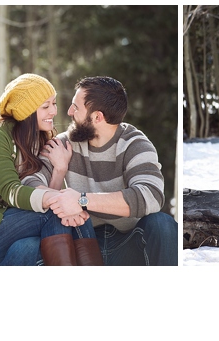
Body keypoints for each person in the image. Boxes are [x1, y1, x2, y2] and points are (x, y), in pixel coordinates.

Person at [0, 73, 99, 266]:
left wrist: (60, 170)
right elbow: (12, 192)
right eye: (45, 106)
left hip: (8, 229)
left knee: (30, 245)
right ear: (25, 111)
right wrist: (66, 201)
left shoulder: (36, 139)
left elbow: (41, 193)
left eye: (54, 103)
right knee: (63, 210)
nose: (53, 111)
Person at [35, 76, 178, 265]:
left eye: (76, 107)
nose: (69, 112)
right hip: (82, 240)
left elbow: (151, 196)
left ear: (97, 117)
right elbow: (31, 184)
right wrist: (60, 173)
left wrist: (81, 201)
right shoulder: (63, 144)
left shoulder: (135, 144)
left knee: (163, 224)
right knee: (30, 245)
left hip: (128, 241)